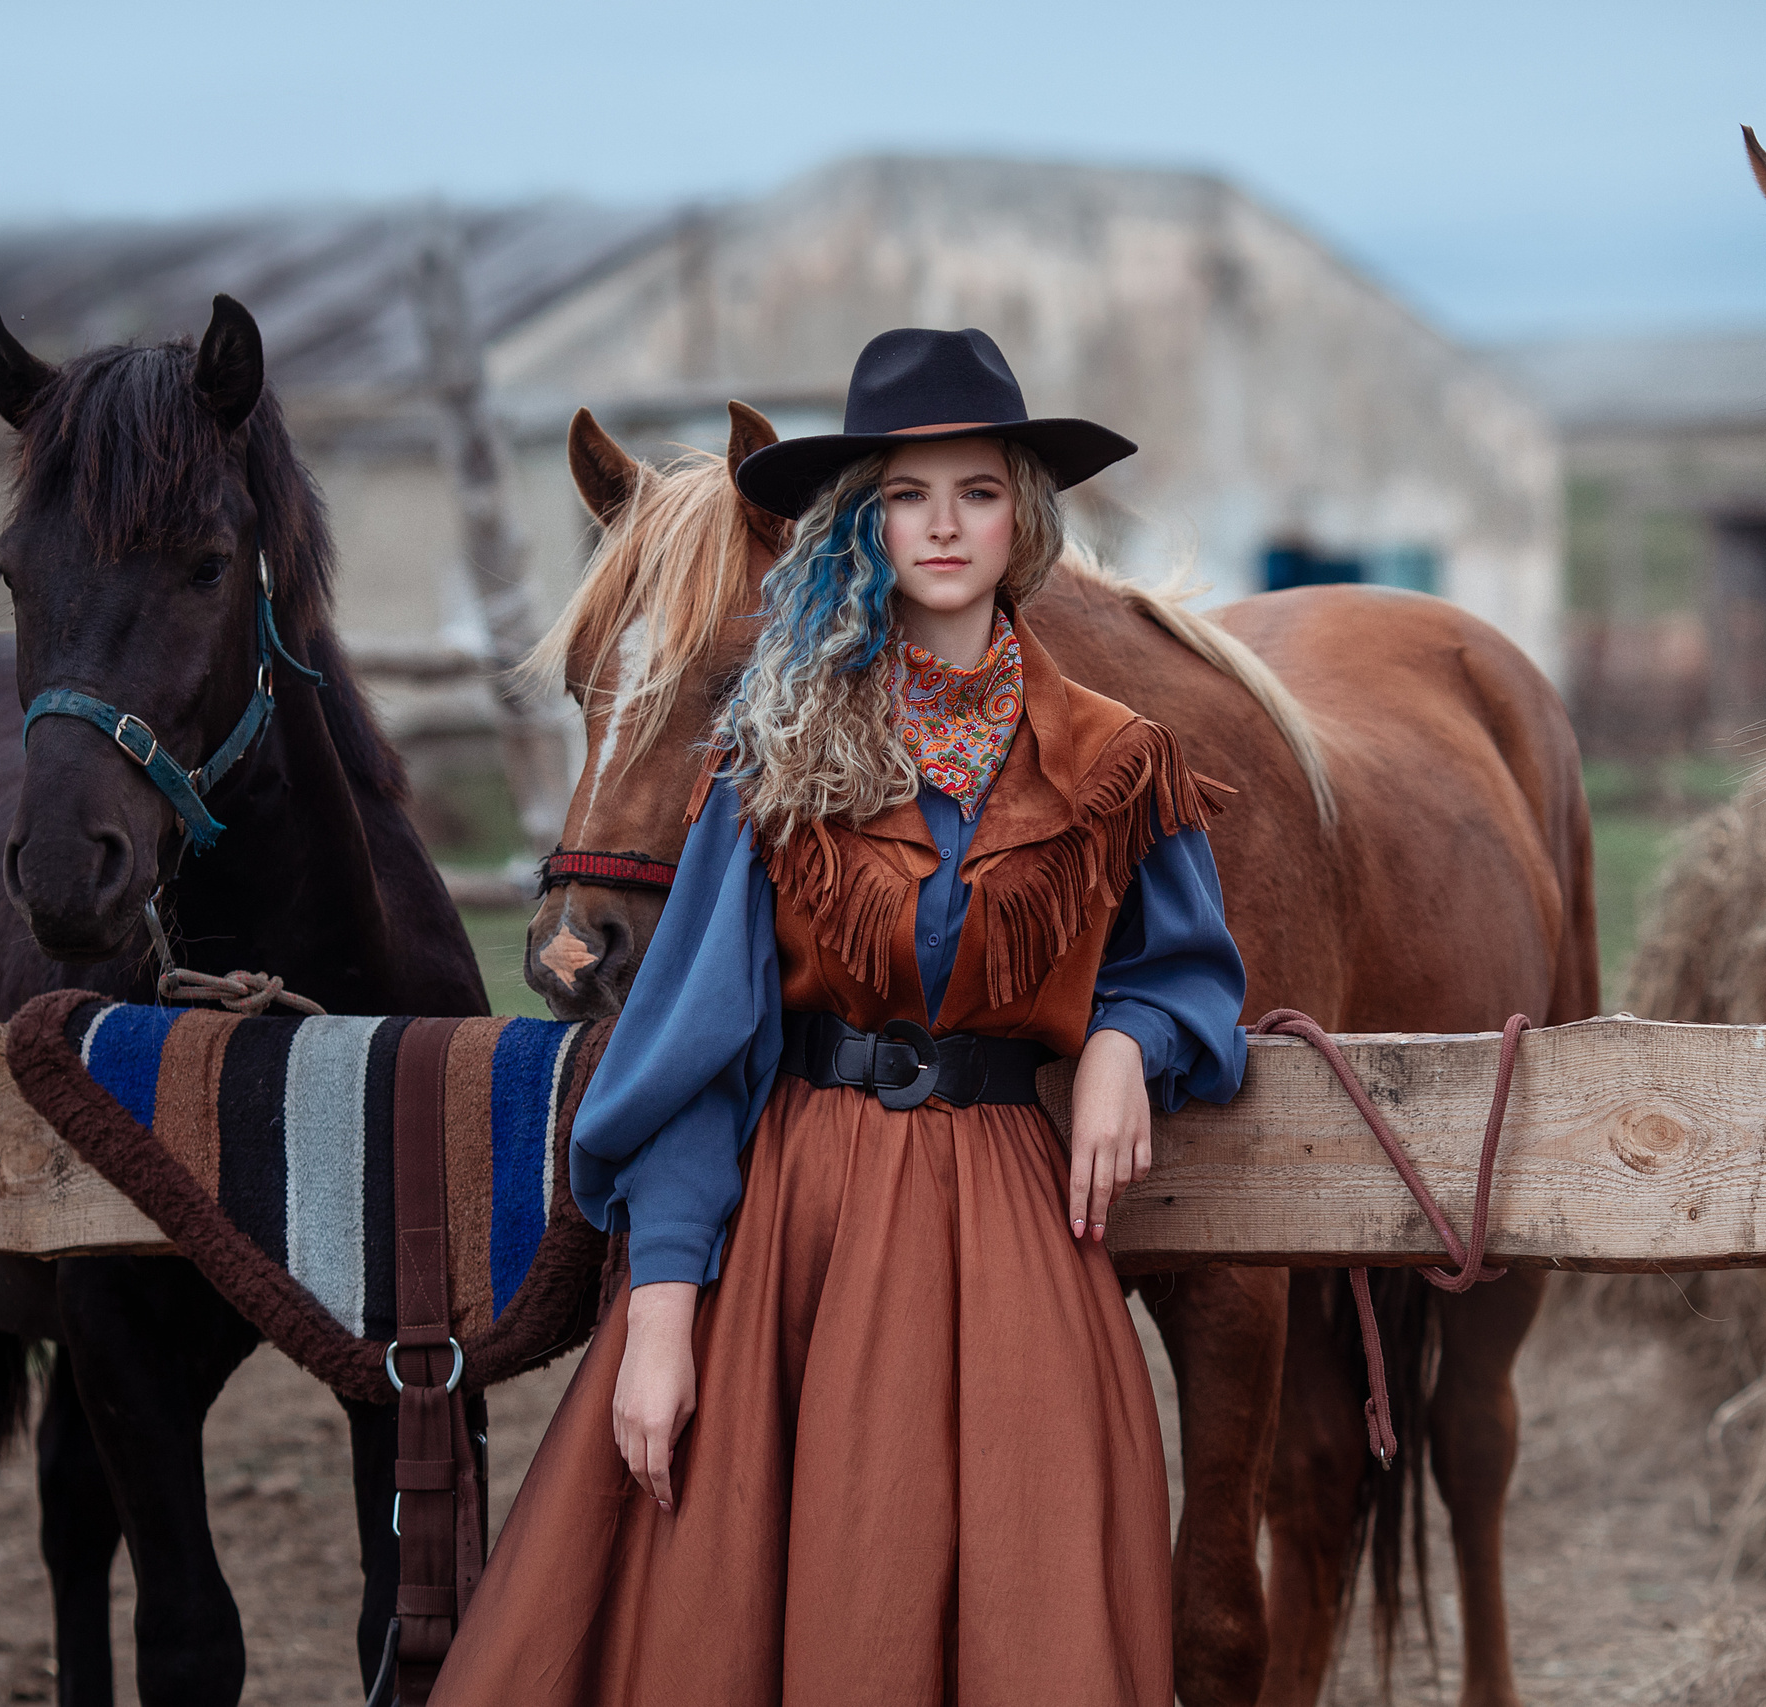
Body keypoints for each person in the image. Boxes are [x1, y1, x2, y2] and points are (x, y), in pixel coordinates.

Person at [435, 327, 1248, 1705]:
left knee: (1029, 1617)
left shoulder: (1118, 759)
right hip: (798, 1235)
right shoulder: (776, 752)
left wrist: (1129, 1041)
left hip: (1011, 1233)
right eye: (906, 494)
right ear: (865, 523)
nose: (943, 525)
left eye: (976, 490)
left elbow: (1190, 975)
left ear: (1024, 518)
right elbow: (694, 1049)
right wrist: (666, 1315)